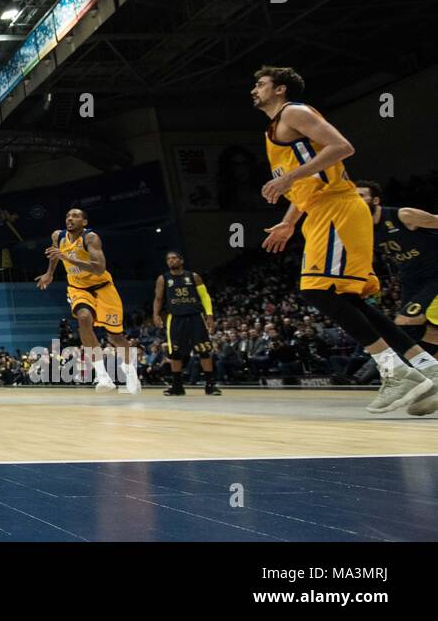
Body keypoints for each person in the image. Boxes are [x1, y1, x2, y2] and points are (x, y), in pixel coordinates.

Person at [253, 66, 437, 415]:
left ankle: (395, 371)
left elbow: (342, 147)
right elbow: (305, 188)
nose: (254, 90)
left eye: (260, 84)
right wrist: (288, 223)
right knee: (346, 298)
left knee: (317, 291)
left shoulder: (295, 112)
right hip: (322, 212)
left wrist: (288, 177)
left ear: (279, 89)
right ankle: (428, 369)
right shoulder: (274, 130)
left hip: (338, 208)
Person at [35, 209, 142, 393]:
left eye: (75, 216)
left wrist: (67, 258)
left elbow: (100, 268)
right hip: (78, 288)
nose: (70, 218)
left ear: (84, 222)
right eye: (68, 215)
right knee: (83, 318)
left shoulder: (91, 238)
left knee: (116, 337)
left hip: (103, 288)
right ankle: (102, 376)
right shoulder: (58, 236)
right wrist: (50, 273)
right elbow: (55, 256)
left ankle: (129, 369)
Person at [358, 180, 438, 355]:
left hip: (434, 274)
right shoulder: (364, 230)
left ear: (375, 200)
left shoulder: (404, 215)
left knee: (406, 322)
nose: (357, 200)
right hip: (410, 278)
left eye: (361, 195)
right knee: (419, 332)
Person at [153, 251, 220, 396]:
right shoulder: (163, 278)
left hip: (196, 316)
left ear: (181, 260)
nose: (171, 261)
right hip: (175, 318)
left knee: (204, 351)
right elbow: (158, 298)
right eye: (168, 259)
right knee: (175, 353)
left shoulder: (193, 276)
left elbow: (205, 297)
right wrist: (156, 314)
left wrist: (209, 315)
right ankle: (177, 386)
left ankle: (210, 385)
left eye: (174, 258)